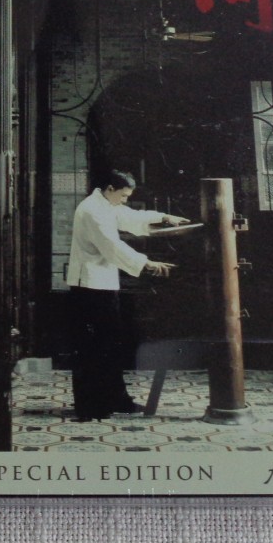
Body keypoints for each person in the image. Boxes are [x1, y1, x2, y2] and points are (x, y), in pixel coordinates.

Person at [65, 170, 189, 421]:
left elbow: (131, 216)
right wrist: (147, 263)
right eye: (123, 195)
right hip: (89, 287)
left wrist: (164, 217)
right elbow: (112, 247)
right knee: (93, 349)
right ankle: (91, 407)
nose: (125, 200)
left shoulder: (106, 205)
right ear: (110, 188)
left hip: (102, 284)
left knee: (110, 346)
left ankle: (117, 400)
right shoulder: (91, 211)